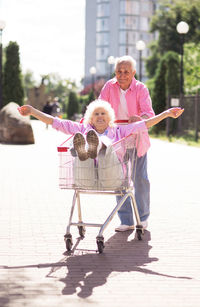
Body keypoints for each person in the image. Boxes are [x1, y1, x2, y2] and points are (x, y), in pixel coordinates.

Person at [18, 100, 183, 205]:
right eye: (96, 114)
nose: (99, 116)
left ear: (109, 117)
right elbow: (57, 122)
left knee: (108, 148)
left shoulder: (119, 130)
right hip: (87, 178)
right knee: (81, 152)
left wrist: (167, 114)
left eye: (103, 113)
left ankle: (100, 146)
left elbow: (145, 124)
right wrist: (33, 111)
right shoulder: (83, 129)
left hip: (112, 178)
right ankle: (84, 149)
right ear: (90, 118)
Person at [99, 55, 155, 232]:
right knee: (119, 179)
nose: (122, 75)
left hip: (137, 138)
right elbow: (100, 107)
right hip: (117, 139)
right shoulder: (109, 86)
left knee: (140, 179)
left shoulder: (141, 89)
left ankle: (143, 217)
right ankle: (126, 219)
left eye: (126, 72)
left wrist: (140, 118)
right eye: (119, 71)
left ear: (133, 73)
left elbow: (149, 114)